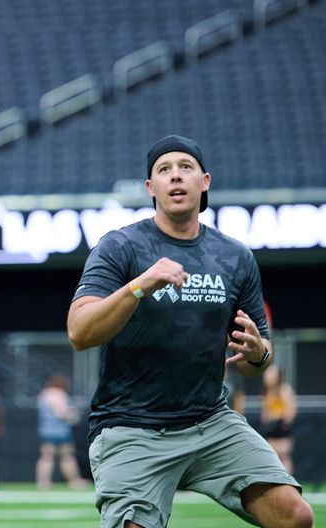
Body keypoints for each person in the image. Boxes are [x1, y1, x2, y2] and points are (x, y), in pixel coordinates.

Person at [66, 135, 313, 528]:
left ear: (205, 181)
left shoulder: (235, 257)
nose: (175, 177)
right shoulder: (120, 247)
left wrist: (257, 354)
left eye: (185, 167)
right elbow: (79, 332)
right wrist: (139, 285)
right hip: (132, 426)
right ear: (151, 188)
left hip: (211, 421)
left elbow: (258, 359)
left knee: (294, 516)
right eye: (164, 170)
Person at [36, 374, 90, 490]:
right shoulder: (58, 394)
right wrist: (73, 414)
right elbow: (61, 413)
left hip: (46, 430)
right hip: (59, 430)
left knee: (46, 457)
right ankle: (74, 481)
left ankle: (43, 482)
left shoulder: (44, 394)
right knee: (67, 457)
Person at [260, 366, 297, 475]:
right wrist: (265, 421)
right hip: (271, 425)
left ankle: (287, 478)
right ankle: (276, 478)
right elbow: (266, 409)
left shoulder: (284, 389)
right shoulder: (267, 391)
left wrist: (287, 422)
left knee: (284, 454)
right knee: (272, 454)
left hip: (281, 424)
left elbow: (291, 407)